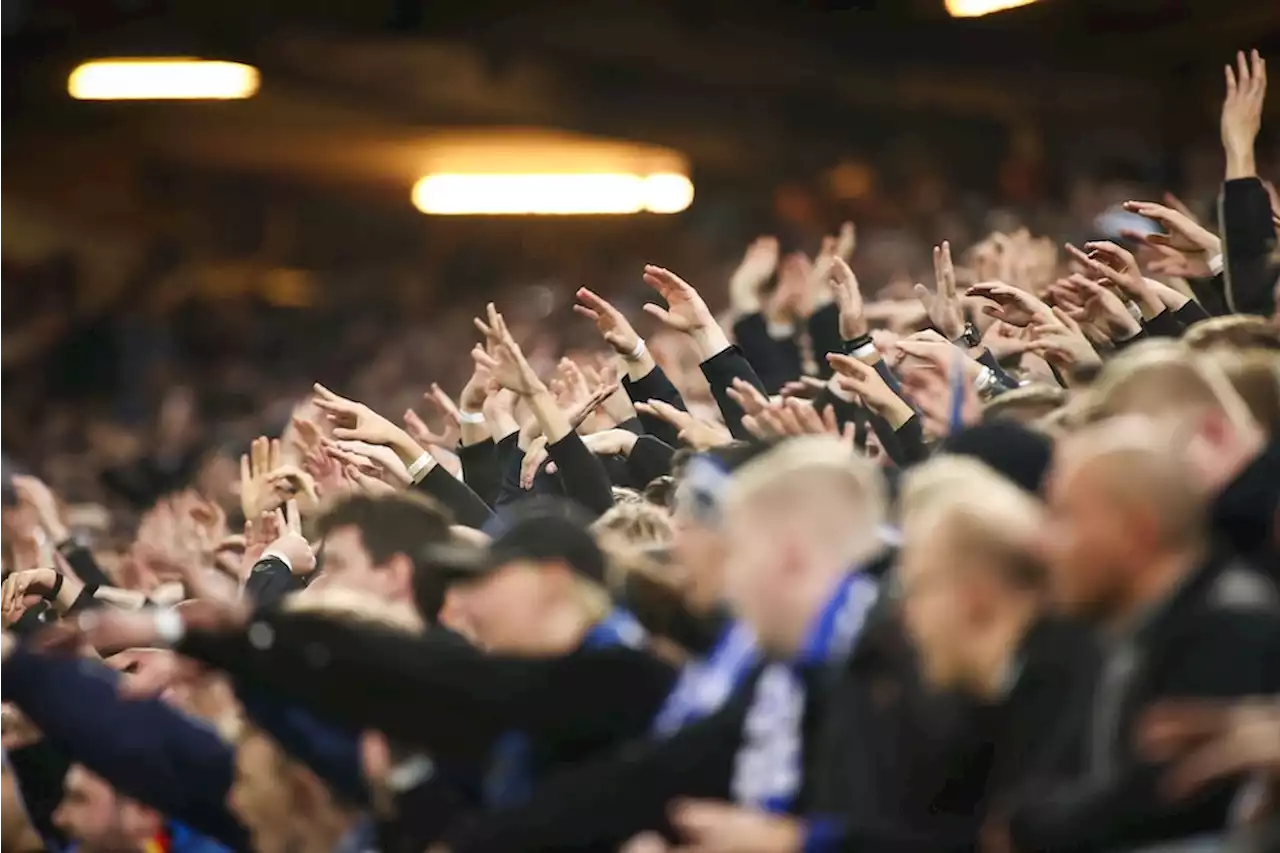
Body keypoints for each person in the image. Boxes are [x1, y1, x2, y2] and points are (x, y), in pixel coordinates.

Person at [1002, 417, 1280, 853]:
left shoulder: (1231, 626)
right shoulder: (1095, 635)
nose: (1043, 543)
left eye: (1064, 517)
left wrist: (1024, 829)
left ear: (1136, 533)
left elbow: (1174, 801)